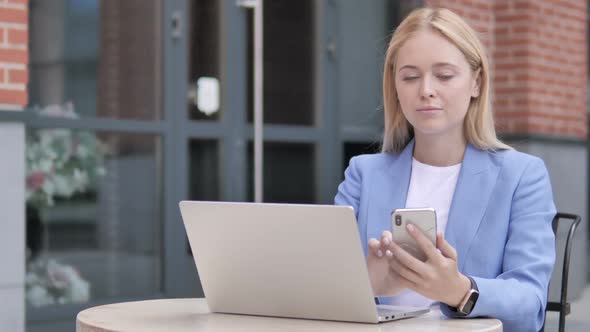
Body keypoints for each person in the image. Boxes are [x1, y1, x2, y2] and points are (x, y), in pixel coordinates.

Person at [335, 7, 556, 332]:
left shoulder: (522, 176)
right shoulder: (363, 174)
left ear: (476, 82)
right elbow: (325, 288)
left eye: (444, 75)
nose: (425, 89)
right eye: (410, 76)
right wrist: (367, 284)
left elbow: (529, 304)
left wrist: (460, 291)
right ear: (395, 86)